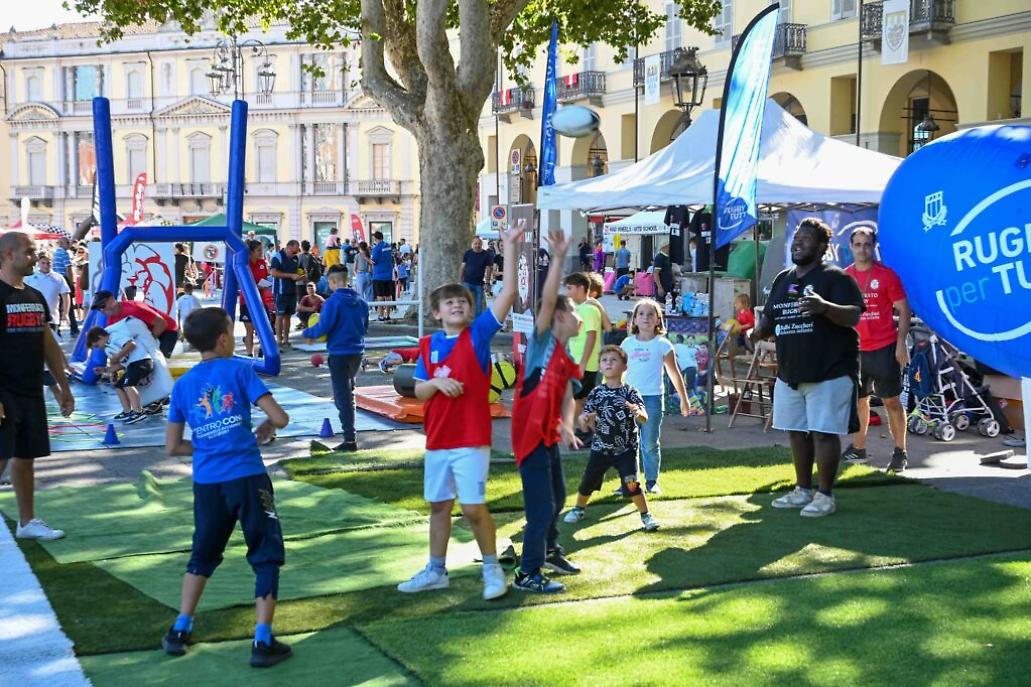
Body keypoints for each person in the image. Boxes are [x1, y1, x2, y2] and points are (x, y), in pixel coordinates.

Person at [395, 225, 522, 601]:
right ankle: (436, 570)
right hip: (438, 438)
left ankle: (491, 567)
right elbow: (417, 389)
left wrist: (510, 247)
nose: (456, 305)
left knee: (472, 507)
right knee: (439, 505)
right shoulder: (428, 344)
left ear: (470, 310)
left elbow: (510, 292)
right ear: (436, 313)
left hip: (470, 436)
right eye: (449, 303)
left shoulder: (478, 335)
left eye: (462, 302)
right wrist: (436, 385)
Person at [162, 307, 291, 667]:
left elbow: (172, 446)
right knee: (265, 553)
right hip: (247, 477)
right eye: (232, 333)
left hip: (207, 482)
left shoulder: (184, 384)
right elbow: (280, 417)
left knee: (202, 553)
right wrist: (266, 425)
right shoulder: (240, 369)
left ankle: (180, 627)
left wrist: (206, 445)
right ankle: (262, 640)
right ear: (223, 339)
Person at [750, 217, 865, 518]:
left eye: (806, 239)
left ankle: (825, 496)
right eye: (796, 238)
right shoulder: (782, 279)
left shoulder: (836, 278)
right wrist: (757, 331)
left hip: (829, 370)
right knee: (796, 432)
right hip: (789, 372)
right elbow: (770, 319)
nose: (798, 242)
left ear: (823, 246)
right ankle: (802, 490)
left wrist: (825, 307)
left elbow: (853, 316)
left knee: (824, 433)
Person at [511, 228, 582, 593]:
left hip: (547, 437)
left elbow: (569, 391)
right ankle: (528, 574)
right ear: (558, 318)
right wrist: (557, 257)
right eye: (572, 311)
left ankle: (550, 549)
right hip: (530, 439)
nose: (579, 316)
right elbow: (545, 302)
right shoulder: (541, 342)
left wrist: (568, 425)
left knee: (558, 496)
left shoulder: (564, 355)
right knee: (541, 507)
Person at [0, 232, 74, 541]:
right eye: (29, 252)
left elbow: (49, 344)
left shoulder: (34, 295)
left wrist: (64, 387)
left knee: (25, 456)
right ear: (8, 255)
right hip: (3, 389)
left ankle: (27, 521)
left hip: (30, 389)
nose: (36, 256)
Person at [564, 345, 660, 532]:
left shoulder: (631, 392)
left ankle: (646, 515)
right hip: (600, 448)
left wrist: (637, 411)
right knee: (587, 482)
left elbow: (644, 418)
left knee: (632, 484)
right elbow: (584, 423)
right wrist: (584, 419)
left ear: (624, 367)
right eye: (604, 360)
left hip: (626, 450)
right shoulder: (596, 393)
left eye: (613, 359)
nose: (608, 363)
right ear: (600, 367)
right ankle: (578, 509)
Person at [843, 226, 912, 472]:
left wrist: (901, 343)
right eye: (858, 244)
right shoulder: (844, 277)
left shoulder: (887, 275)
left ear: (874, 247)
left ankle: (900, 452)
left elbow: (904, 310)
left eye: (867, 244)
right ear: (851, 247)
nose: (863, 249)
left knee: (891, 401)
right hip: (856, 351)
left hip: (884, 348)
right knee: (860, 401)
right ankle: (858, 448)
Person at [621, 298, 690, 493]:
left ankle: (652, 482)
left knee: (649, 443)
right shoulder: (627, 343)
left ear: (658, 320)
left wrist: (684, 400)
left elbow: (674, 374)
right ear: (634, 320)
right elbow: (619, 373)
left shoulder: (663, 345)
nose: (646, 318)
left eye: (651, 314)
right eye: (641, 314)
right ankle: (629, 483)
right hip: (628, 399)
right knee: (627, 445)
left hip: (652, 399)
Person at [303, 265, 368, 452]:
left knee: (343, 397)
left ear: (332, 282)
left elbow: (323, 327)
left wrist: (308, 332)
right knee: (349, 393)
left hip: (339, 354)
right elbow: (364, 328)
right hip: (357, 353)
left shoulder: (332, 303)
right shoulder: (361, 302)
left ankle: (349, 440)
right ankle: (350, 437)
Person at [86, 324, 153, 424]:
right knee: (119, 386)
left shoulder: (115, 337)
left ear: (100, 337)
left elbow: (132, 345)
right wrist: (105, 370)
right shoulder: (109, 346)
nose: (98, 348)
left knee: (128, 384)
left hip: (142, 361)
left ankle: (139, 411)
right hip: (133, 364)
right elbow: (122, 364)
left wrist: (117, 356)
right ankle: (128, 411)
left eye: (97, 345)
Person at [563, 273, 602, 430]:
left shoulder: (589, 309)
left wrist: (583, 363)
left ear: (581, 288)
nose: (567, 292)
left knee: (578, 399)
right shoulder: (578, 308)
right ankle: (587, 430)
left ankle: (581, 430)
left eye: (570, 288)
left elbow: (591, 336)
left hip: (586, 364)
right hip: (577, 362)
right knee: (582, 398)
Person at [92, 290, 179, 358]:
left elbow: (162, 323)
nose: (102, 310)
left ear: (112, 300)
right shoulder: (111, 321)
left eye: (102, 306)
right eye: (99, 308)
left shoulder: (134, 309)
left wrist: (146, 344)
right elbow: (119, 344)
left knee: (158, 362)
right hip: (151, 330)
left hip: (168, 330)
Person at [239, 239, 275, 357]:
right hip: (246, 301)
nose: (261, 252)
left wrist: (262, 285)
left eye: (262, 250)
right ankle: (249, 354)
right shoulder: (245, 263)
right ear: (251, 252)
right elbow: (245, 283)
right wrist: (257, 285)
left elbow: (264, 280)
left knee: (263, 328)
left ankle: (261, 351)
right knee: (249, 330)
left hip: (260, 300)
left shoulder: (262, 263)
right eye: (258, 250)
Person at [25, 254, 70, 337]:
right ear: (38, 263)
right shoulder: (29, 277)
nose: (46, 265)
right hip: (34, 317)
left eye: (48, 263)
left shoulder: (58, 277)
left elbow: (65, 295)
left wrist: (65, 313)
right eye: (43, 263)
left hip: (52, 317)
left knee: (53, 343)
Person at [269, 240, 303, 348]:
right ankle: (279, 340)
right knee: (280, 315)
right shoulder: (277, 257)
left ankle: (286, 339)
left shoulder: (295, 258)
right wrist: (290, 276)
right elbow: (273, 273)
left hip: (292, 290)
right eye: (294, 252)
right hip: (280, 291)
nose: (295, 254)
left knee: (288, 316)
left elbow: (298, 271)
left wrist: (301, 276)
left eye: (296, 252)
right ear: (288, 248)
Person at [460, 236, 494, 317]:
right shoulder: (468, 253)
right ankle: (464, 321)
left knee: (479, 306)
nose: (477, 245)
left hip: (479, 284)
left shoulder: (486, 255)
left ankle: (477, 325)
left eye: (479, 243)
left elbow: (489, 269)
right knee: (465, 303)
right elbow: (462, 267)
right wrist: (460, 280)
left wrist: (487, 283)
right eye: (475, 243)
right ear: (472, 244)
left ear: (481, 244)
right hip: (467, 282)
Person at [51, 237, 78, 335]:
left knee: (57, 306)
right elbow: (69, 270)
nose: (70, 245)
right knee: (68, 305)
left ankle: (56, 330)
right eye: (68, 243)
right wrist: (71, 284)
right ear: (63, 243)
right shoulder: (64, 253)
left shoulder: (55, 253)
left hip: (55, 280)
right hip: (64, 280)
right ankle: (74, 329)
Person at [370, 231, 395, 320]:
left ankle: (381, 315)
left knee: (380, 296)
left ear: (375, 239)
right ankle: (388, 315)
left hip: (378, 276)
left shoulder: (376, 248)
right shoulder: (388, 246)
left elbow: (373, 261)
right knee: (388, 296)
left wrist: (365, 258)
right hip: (388, 275)